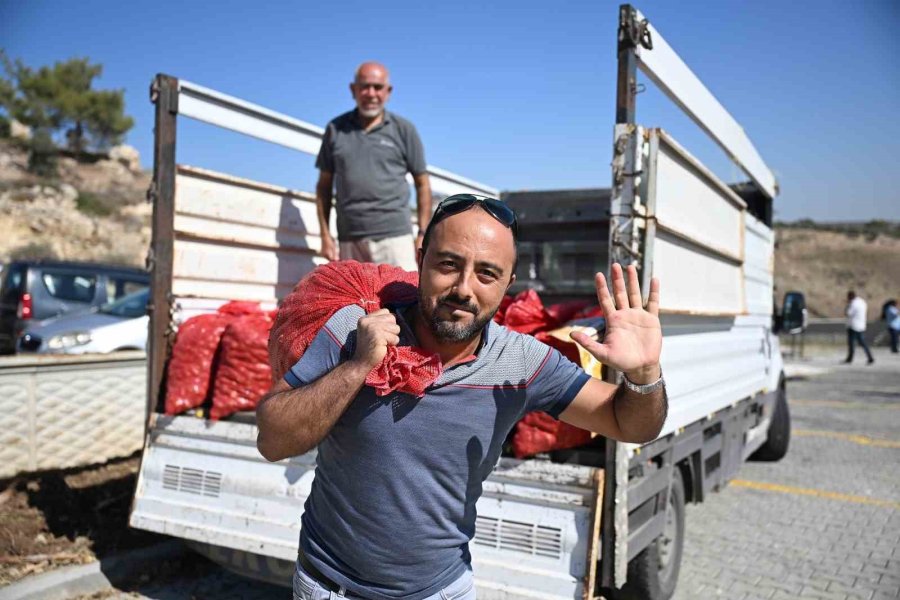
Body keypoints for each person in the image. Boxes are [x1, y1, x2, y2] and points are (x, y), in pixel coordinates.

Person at [257, 194, 667, 600]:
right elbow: (273, 440)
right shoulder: (357, 327)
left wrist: (644, 374)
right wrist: (357, 366)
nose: (463, 289)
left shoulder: (521, 362)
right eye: (448, 264)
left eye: (487, 273)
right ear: (421, 260)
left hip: (442, 590)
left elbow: (629, 424)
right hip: (332, 589)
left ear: (509, 283)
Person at [315, 61, 432, 271]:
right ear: (353, 90)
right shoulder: (335, 129)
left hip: (395, 239)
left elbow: (422, 184)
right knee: (355, 302)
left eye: (377, 87)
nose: (371, 93)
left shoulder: (404, 130)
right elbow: (323, 187)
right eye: (364, 86)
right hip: (349, 240)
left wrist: (423, 233)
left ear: (388, 92)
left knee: (404, 301)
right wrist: (325, 236)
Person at [844, 290, 874, 364]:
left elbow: (848, 313)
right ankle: (870, 357)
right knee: (863, 342)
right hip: (861, 325)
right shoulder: (862, 302)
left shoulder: (853, 303)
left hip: (853, 325)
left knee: (851, 343)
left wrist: (847, 305)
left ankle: (850, 358)